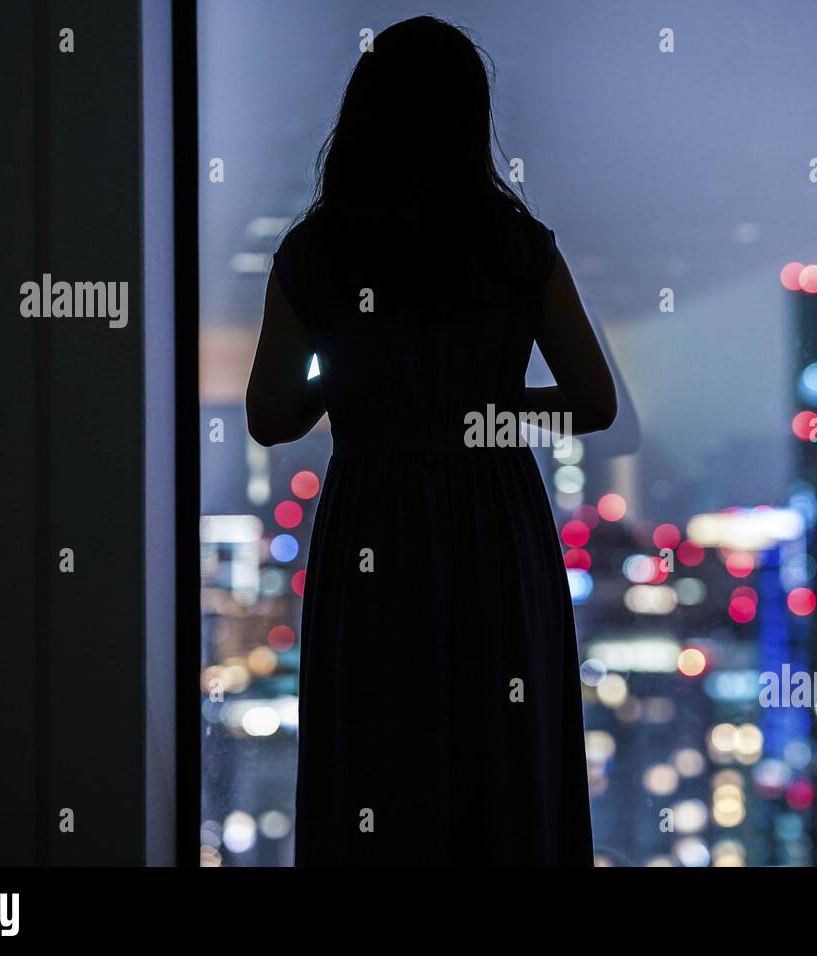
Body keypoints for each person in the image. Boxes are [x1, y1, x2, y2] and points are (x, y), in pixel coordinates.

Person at [246, 15, 616, 866]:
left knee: (378, 747)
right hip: (494, 515)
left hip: (373, 515)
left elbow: (271, 417)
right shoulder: (516, 246)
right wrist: (488, 401)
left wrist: (348, 374)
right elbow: (591, 402)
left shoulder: (316, 252)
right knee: (502, 752)